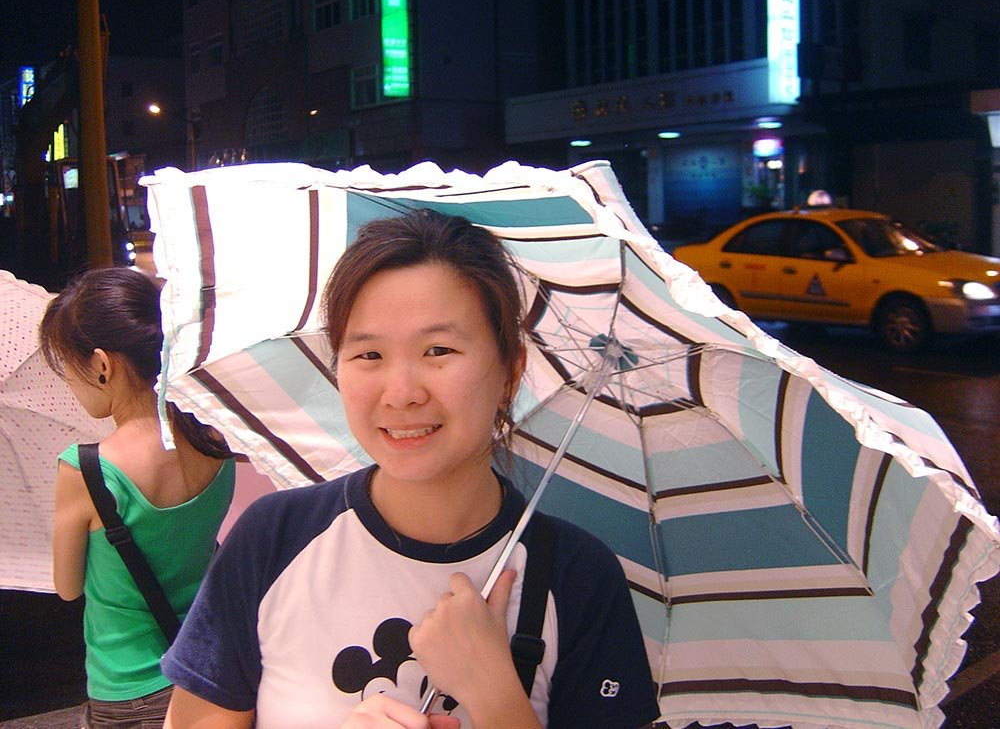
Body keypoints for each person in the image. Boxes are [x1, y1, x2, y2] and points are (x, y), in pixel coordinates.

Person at [161, 210, 660, 728]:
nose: (401, 394)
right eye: (368, 354)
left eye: (438, 350)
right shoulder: (274, 537)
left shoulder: (576, 575)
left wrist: (495, 695)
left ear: (510, 371)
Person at [40, 266, 236, 729]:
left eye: (69, 368)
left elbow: (67, 588)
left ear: (102, 365)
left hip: (127, 690)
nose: (69, 383)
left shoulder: (87, 469)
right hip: (207, 669)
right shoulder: (214, 438)